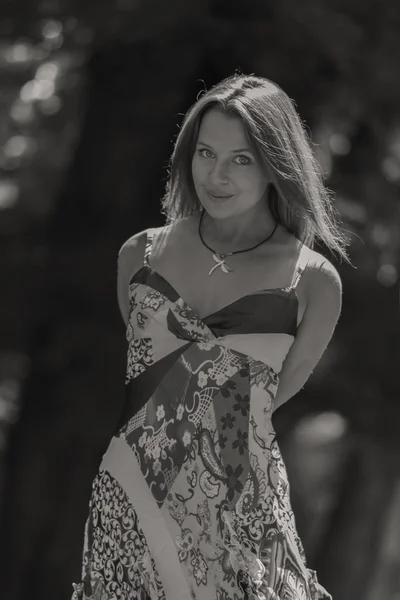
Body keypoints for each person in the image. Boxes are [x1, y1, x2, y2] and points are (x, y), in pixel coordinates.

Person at [72, 73, 350, 600]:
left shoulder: (313, 282)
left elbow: (269, 402)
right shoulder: (139, 255)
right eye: (205, 153)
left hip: (240, 511)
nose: (216, 175)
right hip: (130, 495)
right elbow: (151, 383)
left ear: (275, 164)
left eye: (241, 159)